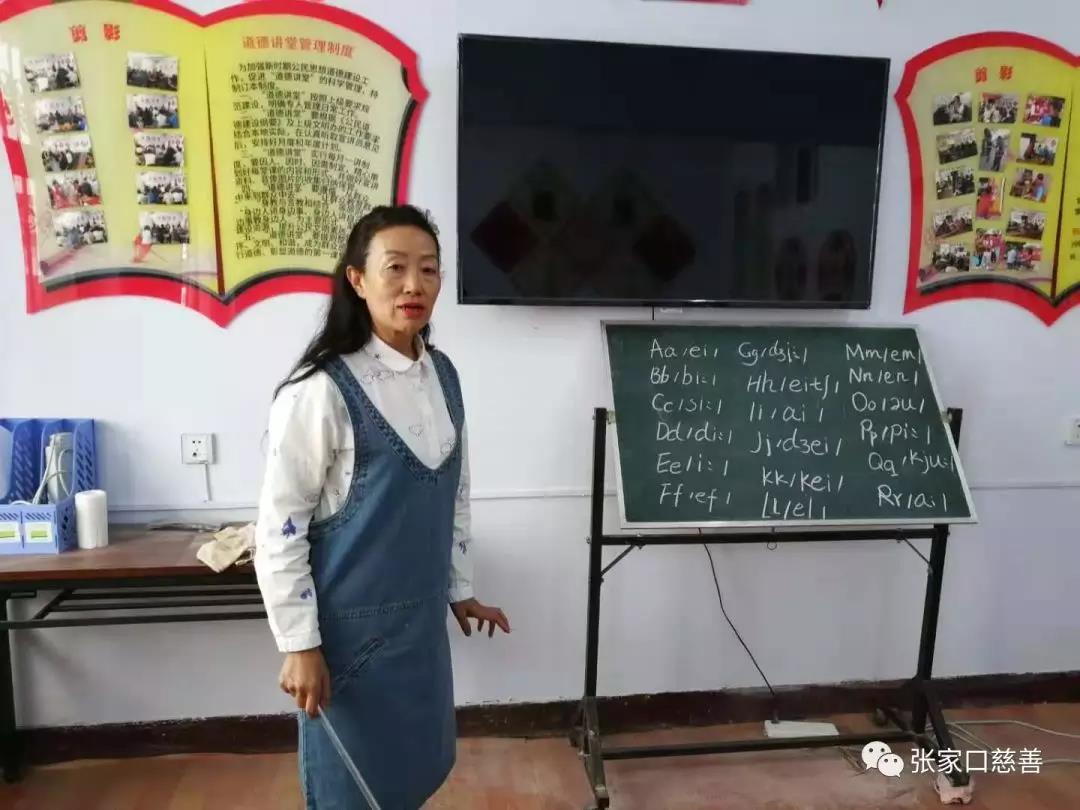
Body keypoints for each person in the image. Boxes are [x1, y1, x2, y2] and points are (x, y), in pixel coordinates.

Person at [255, 205, 510, 809]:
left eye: (428, 269)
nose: (414, 285)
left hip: (420, 633)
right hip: (349, 642)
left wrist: (460, 588)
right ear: (357, 280)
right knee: (351, 790)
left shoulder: (442, 376)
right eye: (395, 268)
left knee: (412, 774)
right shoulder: (319, 391)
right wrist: (299, 645)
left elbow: (453, 493)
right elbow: (279, 530)